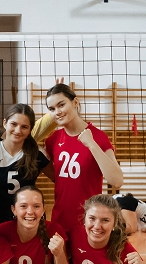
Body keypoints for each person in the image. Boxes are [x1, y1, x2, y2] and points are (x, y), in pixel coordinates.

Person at [42, 84, 123, 232]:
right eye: (52, 109)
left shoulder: (98, 137)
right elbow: (53, 172)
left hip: (89, 223)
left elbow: (117, 181)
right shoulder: (53, 140)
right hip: (60, 221)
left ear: (75, 102)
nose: (57, 112)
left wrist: (91, 144)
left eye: (61, 105)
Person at [0, 104, 51, 224]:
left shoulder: (36, 153)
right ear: (5, 123)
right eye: (14, 124)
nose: (18, 130)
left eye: (24, 127)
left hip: (27, 219)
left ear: (30, 129)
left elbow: (59, 179)